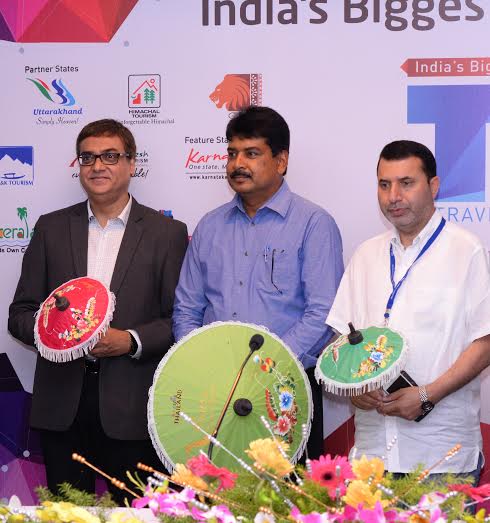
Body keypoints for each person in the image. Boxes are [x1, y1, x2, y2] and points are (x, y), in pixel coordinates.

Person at [8, 119, 188, 503]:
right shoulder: (51, 228)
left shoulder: (167, 233)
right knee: (67, 514)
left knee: (135, 514)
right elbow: (20, 314)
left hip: (133, 407)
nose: (97, 166)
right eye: (87, 157)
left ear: (131, 163)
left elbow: (179, 319)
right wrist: (57, 334)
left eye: (110, 156)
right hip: (61, 406)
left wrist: (131, 340)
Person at [172, 106, 344, 458]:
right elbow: (187, 309)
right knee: (217, 488)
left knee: (287, 490)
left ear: (281, 161)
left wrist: (264, 367)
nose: (237, 164)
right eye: (232, 153)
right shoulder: (210, 226)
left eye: (251, 153)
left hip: (285, 388)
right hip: (215, 392)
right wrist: (203, 364)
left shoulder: (313, 224)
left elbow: (323, 314)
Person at [326, 140, 490, 481]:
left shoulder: (466, 250)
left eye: (406, 183)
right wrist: (354, 387)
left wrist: (427, 395)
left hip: (441, 455)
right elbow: (341, 337)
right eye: (384, 184)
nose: (393, 196)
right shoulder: (365, 255)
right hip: (372, 456)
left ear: (433, 186)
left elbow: (485, 341)